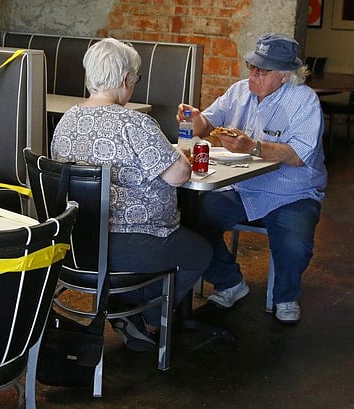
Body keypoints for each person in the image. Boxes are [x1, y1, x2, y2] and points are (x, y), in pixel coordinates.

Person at [51, 38, 212, 351]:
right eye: (135, 79)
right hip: (132, 246)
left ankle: (126, 307)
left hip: (76, 244)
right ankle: (144, 312)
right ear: (126, 79)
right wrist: (180, 156)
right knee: (200, 253)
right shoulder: (134, 123)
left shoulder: (66, 120)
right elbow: (179, 175)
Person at [176, 33, 328, 324]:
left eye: (263, 70)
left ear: (285, 76)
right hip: (243, 187)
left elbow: (298, 155)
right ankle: (230, 282)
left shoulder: (304, 101)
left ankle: (285, 296)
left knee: (294, 246)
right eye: (252, 67)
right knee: (191, 220)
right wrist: (193, 119)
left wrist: (252, 147)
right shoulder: (239, 92)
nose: (254, 75)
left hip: (291, 192)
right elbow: (206, 123)